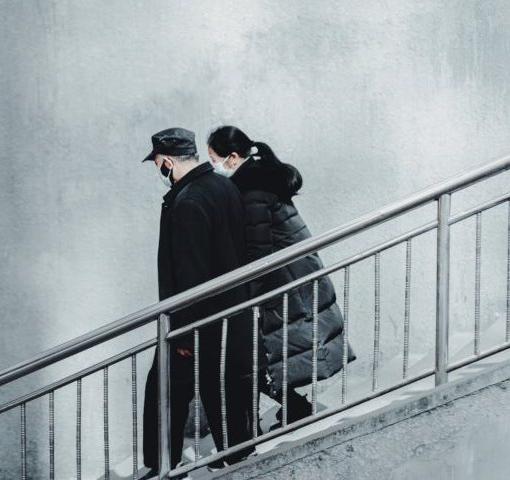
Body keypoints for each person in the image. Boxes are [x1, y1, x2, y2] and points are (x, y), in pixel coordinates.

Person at [207, 126, 354, 428]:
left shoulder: (251, 191)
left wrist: (247, 297)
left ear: (232, 157)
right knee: (267, 353)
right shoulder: (260, 179)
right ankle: (294, 406)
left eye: (214, 160)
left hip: (284, 283)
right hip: (292, 279)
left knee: (257, 354)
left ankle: (294, 408)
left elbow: (258, 250)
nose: (213, 167)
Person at [140, 127, 259, 476]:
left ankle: (163, 465)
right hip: (229, 313)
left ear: (166, 162)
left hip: (197, 320)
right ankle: (237, 454)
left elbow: (190, 270)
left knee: (165, 390)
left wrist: (182, 329)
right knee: (223, 387)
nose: (159, 171)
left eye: (157, 164)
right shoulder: (223, 187)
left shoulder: (188, 200)